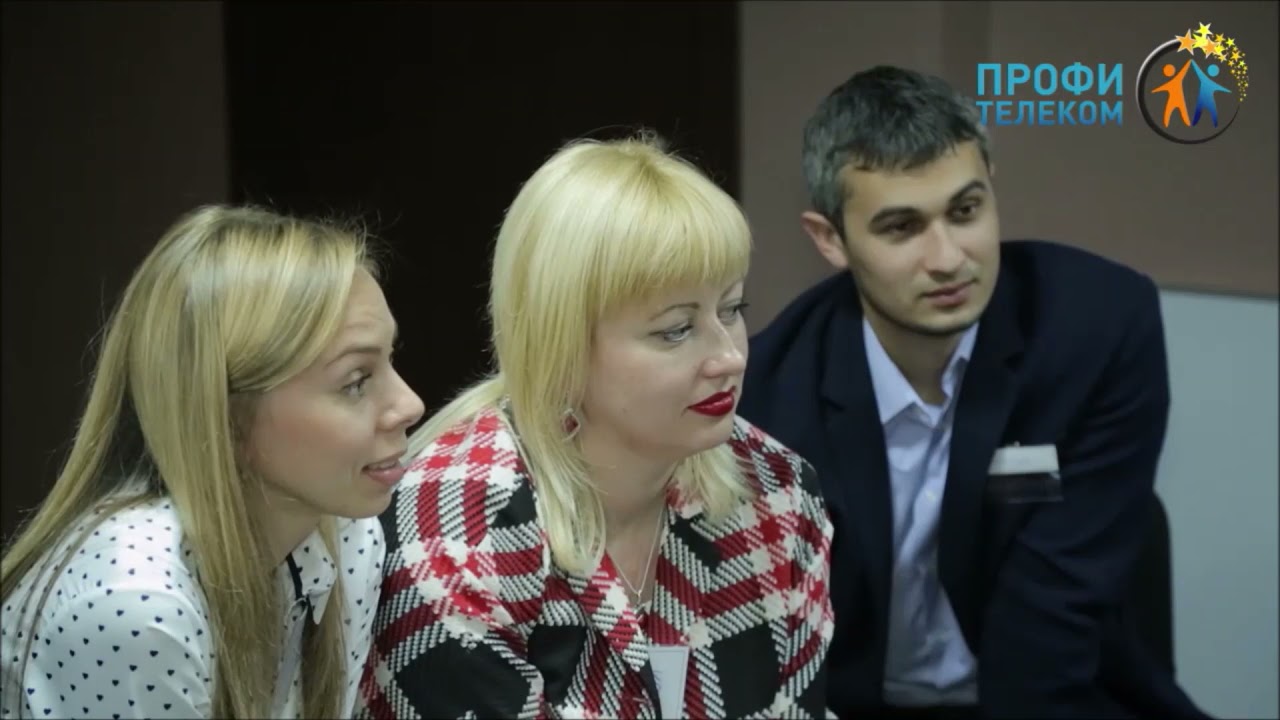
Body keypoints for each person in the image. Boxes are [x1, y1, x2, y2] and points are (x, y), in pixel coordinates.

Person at [737, 65, 1213, 719]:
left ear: (991, 184)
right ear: (830, 239)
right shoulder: (766, 395)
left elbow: (1052, 619)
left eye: (965, 211)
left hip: (1055, 697)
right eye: (901, 228)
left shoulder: (1097, 329)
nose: (948, 258)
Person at [355, 133, 835, 720]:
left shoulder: (776, 486)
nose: (730, 357)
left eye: (732, 309)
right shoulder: (454, 526)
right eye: (675, 330)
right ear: (563, 345)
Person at [0, 205, 426, 718]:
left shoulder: (348, 537)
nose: (410, 405)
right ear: (226, 417)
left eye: (389, 360)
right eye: (356, 382)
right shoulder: (135, 601)